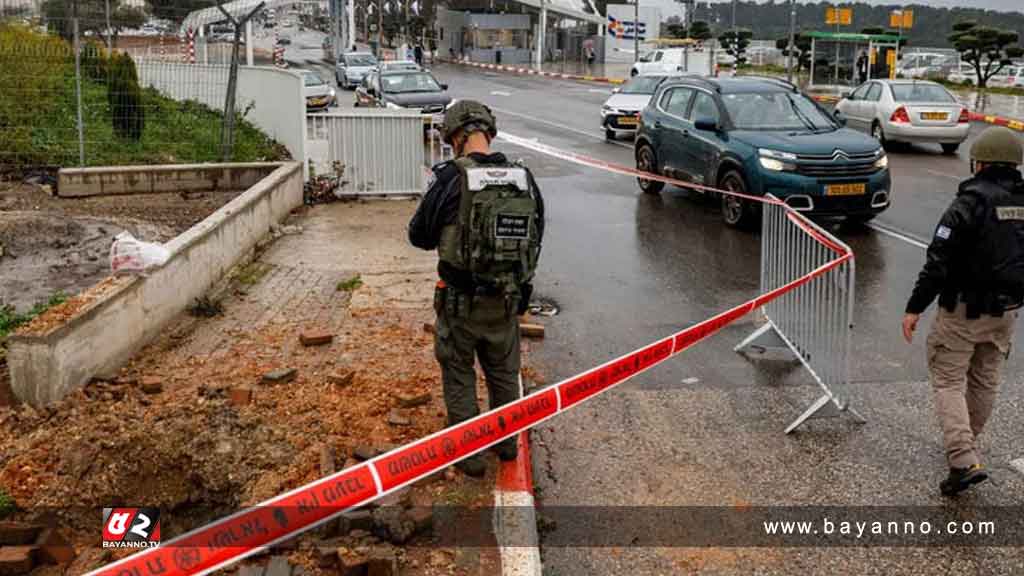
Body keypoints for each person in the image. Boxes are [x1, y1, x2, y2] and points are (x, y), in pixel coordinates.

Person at [408, 101, 545, 477]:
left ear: (454, 136)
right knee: (504, 374)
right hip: (506, 300)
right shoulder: (523, 177)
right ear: (490, 131)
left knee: (458, 373)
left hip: (458, 303)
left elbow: (419, 236)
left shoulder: (449, 177)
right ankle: (505, 446)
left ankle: (469, 457)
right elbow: (537, 235)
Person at [902, 126, 1024, 497]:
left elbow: (938, 262)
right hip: (1006, 312)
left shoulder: (968, 203)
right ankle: (967, 446)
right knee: (985, 380)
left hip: (962, 312)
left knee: (948, 380)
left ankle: (962, 460)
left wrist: (914, 307)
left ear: (979, 162)